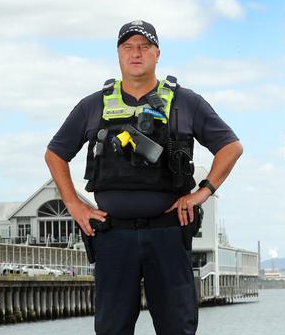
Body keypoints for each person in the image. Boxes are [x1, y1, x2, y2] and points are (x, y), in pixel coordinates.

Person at [45, 20, 242, 335]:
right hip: (113, 236)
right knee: (111, 327)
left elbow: (231, 147)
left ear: (157, 53)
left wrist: (202, 192)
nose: (136, 53)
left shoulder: (185, 102)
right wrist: (73, 204)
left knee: (178, 326)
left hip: (168, 233)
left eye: (144, 46)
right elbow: (55, 153)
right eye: (128, 47)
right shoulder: (93, 105)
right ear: (119, 54)